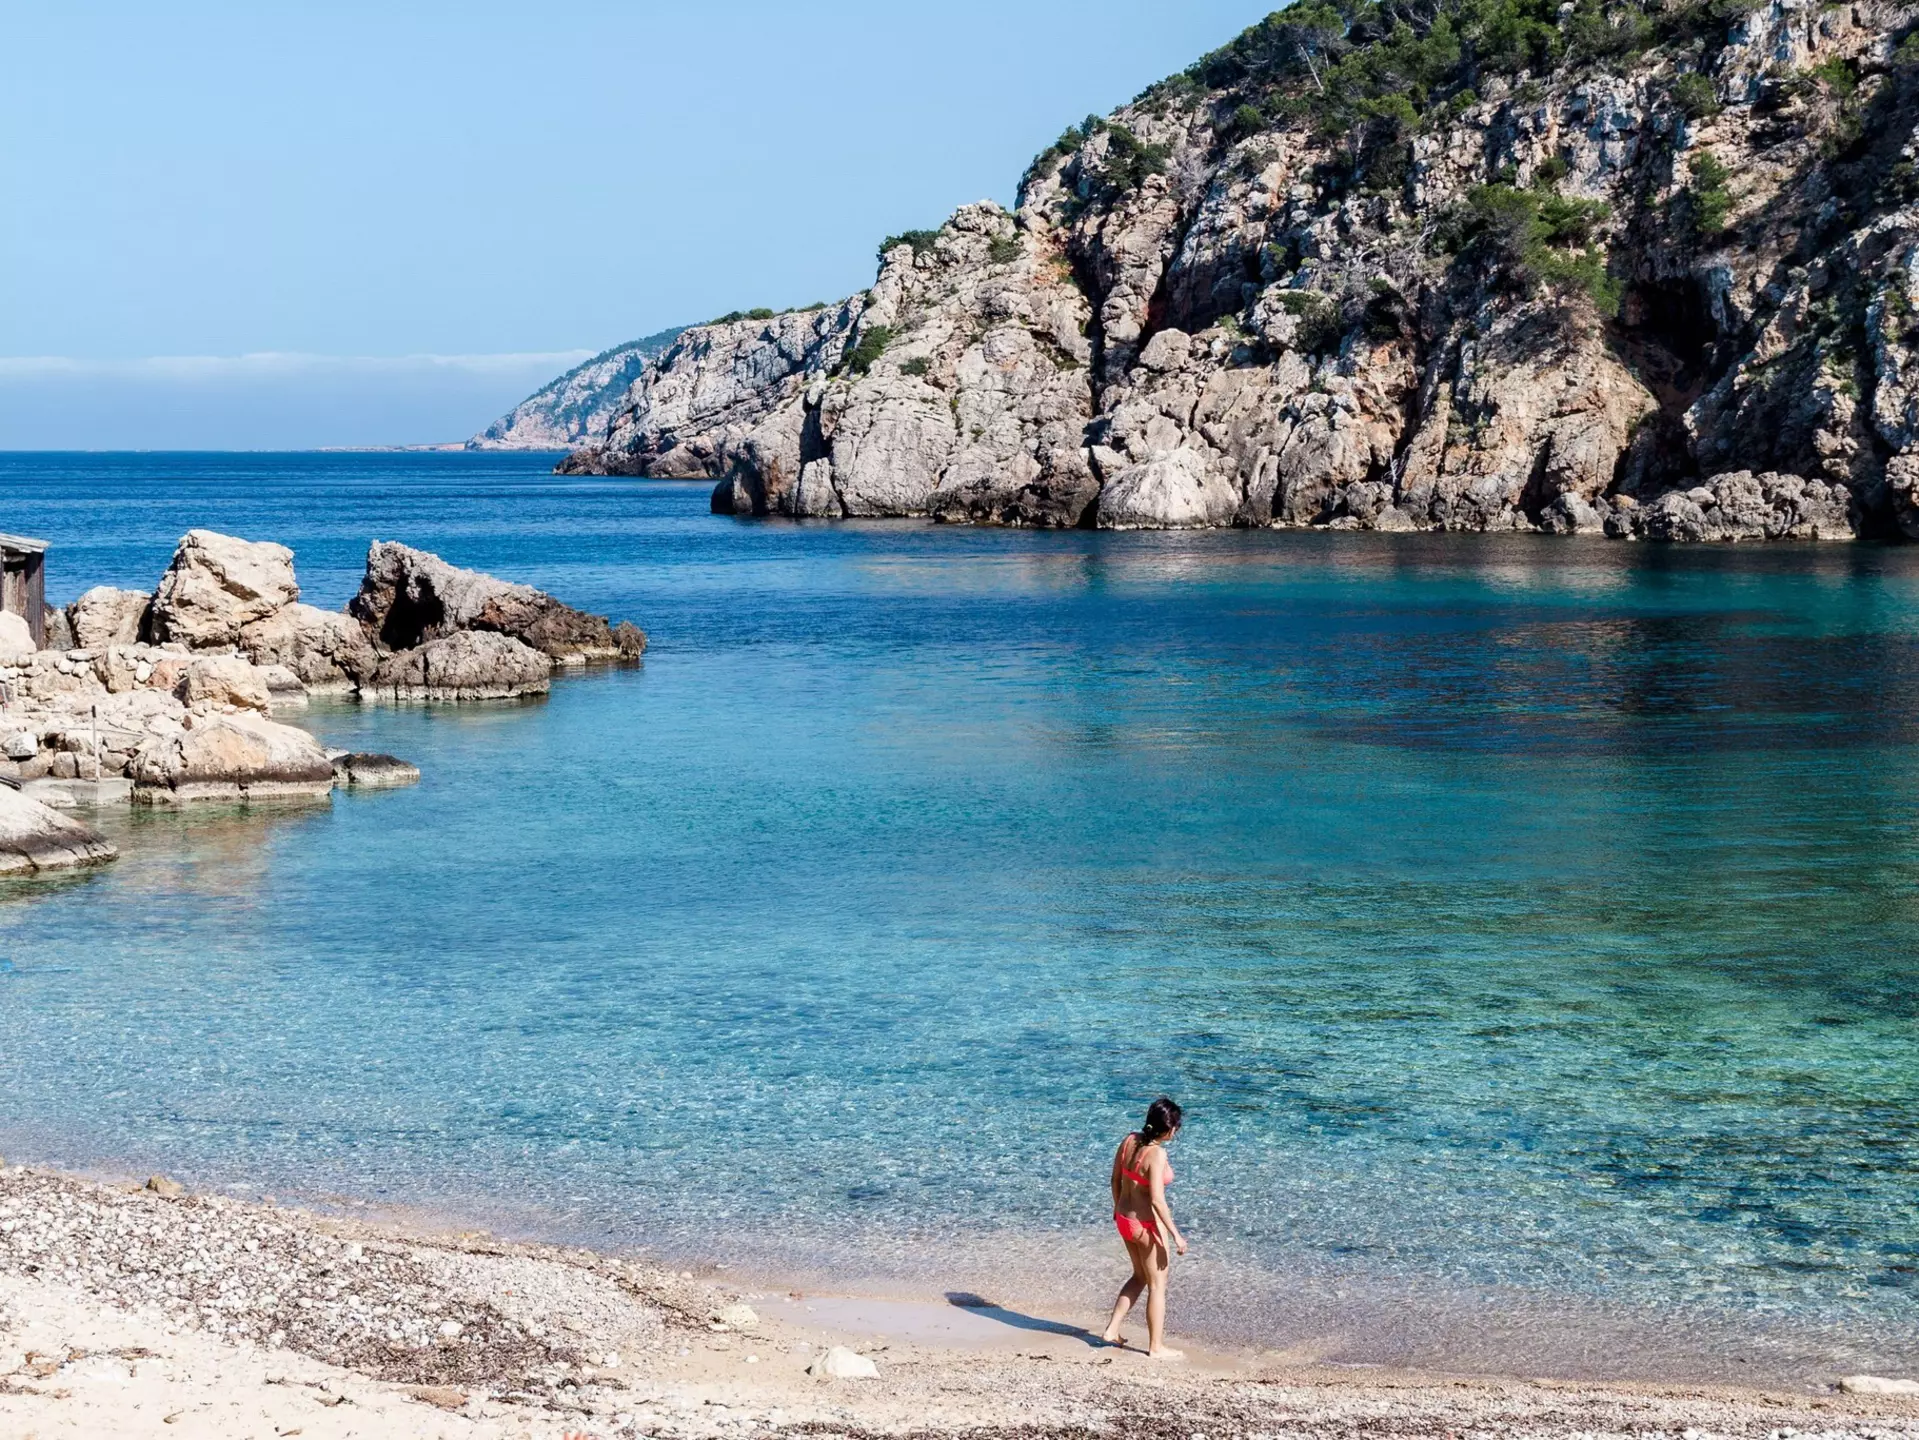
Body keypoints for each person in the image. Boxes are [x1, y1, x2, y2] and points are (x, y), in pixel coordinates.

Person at [1100, 1096, 1186, 1357]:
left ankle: (1111, 1330)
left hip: (1125, 1220)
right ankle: (1156, 1347)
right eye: (1177, 1125)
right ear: (1169, 1128)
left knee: (1139, 1276)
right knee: (1158, 1285)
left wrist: (1118, 1210)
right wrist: (1176, 1235)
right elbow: (1158, 1201)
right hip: (1147, 1225)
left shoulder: (1129, 1140)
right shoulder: (1157, 1154)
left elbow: (1115, 1179)